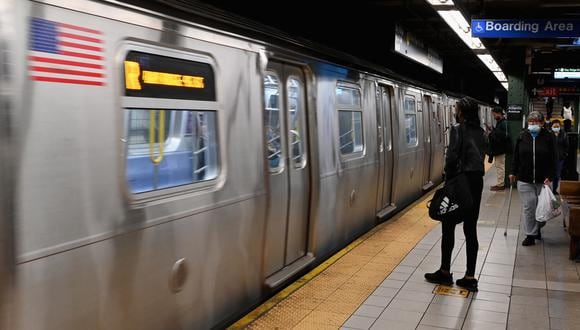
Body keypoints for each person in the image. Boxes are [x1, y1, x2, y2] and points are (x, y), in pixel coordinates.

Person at [425, 97, 486, 291]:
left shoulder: (457, 130)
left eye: (456, 109)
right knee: (470, 229)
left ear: (461, 112)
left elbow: (451, 157)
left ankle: (444, 272)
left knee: (448, 226)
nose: (455, 111)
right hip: (476, 183)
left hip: (459, 182)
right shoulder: (481, 132)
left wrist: (448, 177)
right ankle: (470, 276)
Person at [509, 111, 557, 246]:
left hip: (544, 181)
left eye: (536, 122)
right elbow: (516, 156)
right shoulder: (522, 136)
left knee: (543, 208)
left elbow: (554, 158)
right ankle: (530, 235)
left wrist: (550, 176)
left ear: (542, 124)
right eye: (530, 122)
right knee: (529, 207)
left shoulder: (549, 137)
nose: (533, 124)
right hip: (525, 179)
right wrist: (513, 171)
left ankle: (538, 226)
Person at [487, 107, 509, 191]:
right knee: (499, 166)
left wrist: (492, 133)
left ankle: (500, 185)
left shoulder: (503, 123)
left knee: (500, 166)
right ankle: (500, 183)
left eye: (494, 114)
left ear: (499, 113)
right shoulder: (500, 122)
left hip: (501, 149)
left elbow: (503, 136)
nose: (493, 116)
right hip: (499, 149)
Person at [551, 120, 569, 194]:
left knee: (557, 175)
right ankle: (547, 190)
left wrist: (564, 155)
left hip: (560, 159)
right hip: (550, 159)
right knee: (549, 174)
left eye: (557, 126)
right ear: (552, 127)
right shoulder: (549, 134)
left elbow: (567, 146)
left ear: (560, 127)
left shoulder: (564, 135)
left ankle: (554, 190)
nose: (556, 128)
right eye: (554, 126)